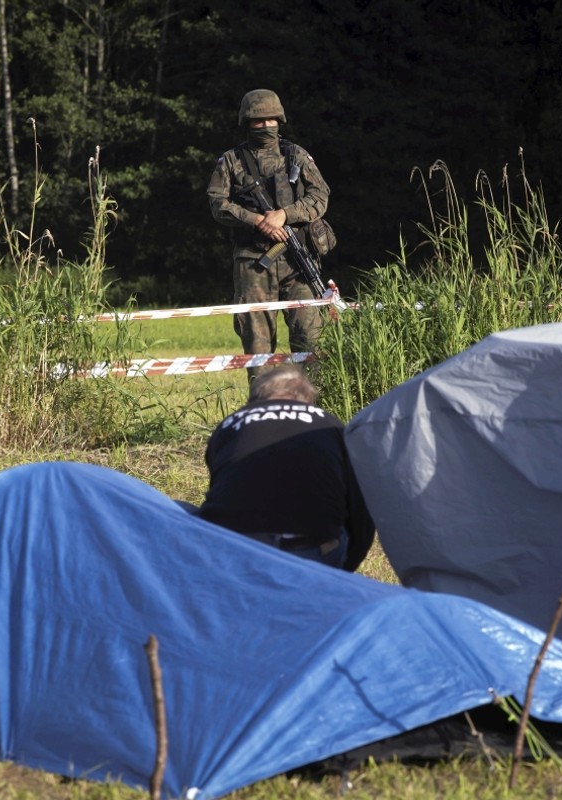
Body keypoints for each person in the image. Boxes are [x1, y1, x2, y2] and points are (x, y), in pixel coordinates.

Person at [207, 89, 331, 382]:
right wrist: (256, 220)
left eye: (271, 120)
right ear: (246, 122)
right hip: (254, 264)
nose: (265, 127)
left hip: (298, 262)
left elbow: (320, 195)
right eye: (257, 122)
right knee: (258, 349)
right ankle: (262, 412)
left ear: (280, 120)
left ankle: (312, 411)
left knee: (309, 342)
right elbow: (217, 203)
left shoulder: (296, 155)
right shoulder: (231, 161)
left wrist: (285, 215)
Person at [198, 365, 375, 571]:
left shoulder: (229, 424)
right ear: (306, 399)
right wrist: (341, 572)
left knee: (184, 509)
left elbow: (220, 484)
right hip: (306, 549)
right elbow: (359, 511)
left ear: (257, 398)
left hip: (229, 547)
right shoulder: (330, 424)